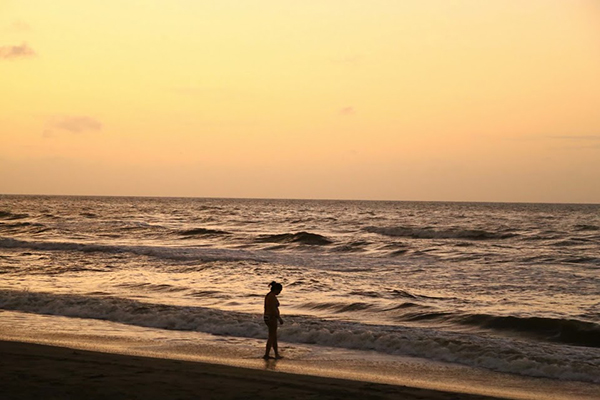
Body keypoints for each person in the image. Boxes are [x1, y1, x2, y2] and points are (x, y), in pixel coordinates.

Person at [263, 281, 284, 359]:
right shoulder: (272, 297)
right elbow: (273, 309)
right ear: (277, 289)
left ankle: (276, 354)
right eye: (279, 291)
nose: (279, 292)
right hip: (271, 317)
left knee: (273, 336)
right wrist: (279, 318)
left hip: (267, 317)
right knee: (272, 336)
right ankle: (266, 354)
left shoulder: (268, 295)